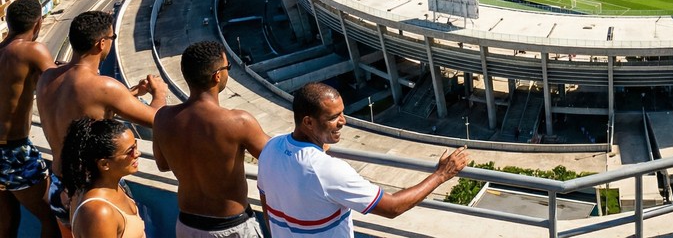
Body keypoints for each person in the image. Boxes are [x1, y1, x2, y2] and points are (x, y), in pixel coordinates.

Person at [258, 82, 468, 238]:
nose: (343, 121)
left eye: (342, 113)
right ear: (308, 122)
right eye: (333, 117)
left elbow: (267, 206)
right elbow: (392, 207)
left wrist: (319, 147)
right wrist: (442, 174)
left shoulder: (271, 147)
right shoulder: (327, 170)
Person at [35, 11, 167, 225]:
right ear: (101, 43)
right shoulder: (103, 87)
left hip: (59, 187)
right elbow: (157, 119)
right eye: (112, 39)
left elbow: (83, 108)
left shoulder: (48, 78)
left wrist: (129, 94)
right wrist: (159, 93)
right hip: (93, 192)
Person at [153, 41, 270, 238]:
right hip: (231, 228)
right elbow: (278, 157)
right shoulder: (238, 121)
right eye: (228, 68)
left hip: (187, 225)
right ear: (217, 76)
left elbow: (163, 164)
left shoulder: (163, 118)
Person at [0, 0, 59, 238]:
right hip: (14, 151)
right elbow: (59, 83)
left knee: (6, 223)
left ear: (7, 22)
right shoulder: (32, 49)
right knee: (51, 217)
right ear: (38, 23)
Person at [60, 118, 145, 238]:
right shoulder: (99, 213)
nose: (137, 153)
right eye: (130, 151)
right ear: (104, 164)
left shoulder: (113, 187)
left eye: (135, 145)